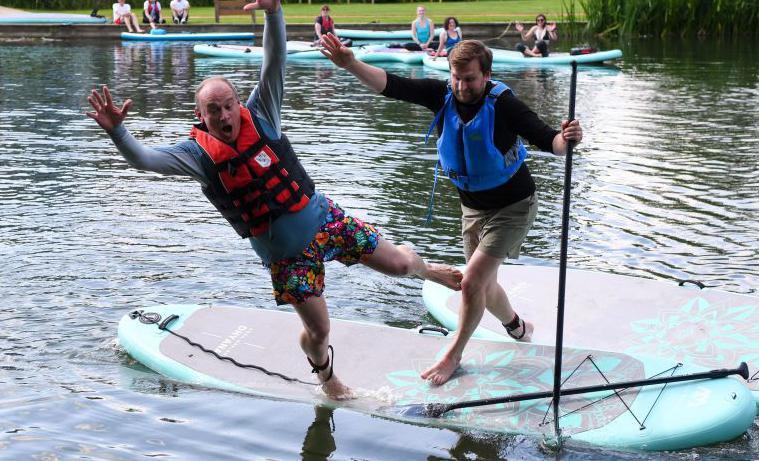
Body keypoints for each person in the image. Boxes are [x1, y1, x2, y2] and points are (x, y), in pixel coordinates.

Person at [86, 0, 462, 400]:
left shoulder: (262, 113)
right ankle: (327, 379)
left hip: (324, 220)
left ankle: (429, 270)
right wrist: (118, 133)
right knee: (319, 331)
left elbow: (274, 57)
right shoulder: (196, 156)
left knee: (402, 264)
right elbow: (145, 160)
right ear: (201, 116)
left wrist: (273, 11)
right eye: (214, 111)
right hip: (287, 259)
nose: (226, 116)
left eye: (229, 105)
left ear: (237, 103)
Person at [320, 36, 583, 385]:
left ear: (486, 75)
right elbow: (393, 85)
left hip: (514, 207)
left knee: (471, 282)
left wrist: (568, 138)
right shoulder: (441, 95)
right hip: (472, 210)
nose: (461, 86)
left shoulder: (504, 105)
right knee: (483, 287)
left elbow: (549, 140)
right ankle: (518, 327)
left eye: (470, 79)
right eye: (456, 77)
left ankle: (453, 355)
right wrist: (351, 64)